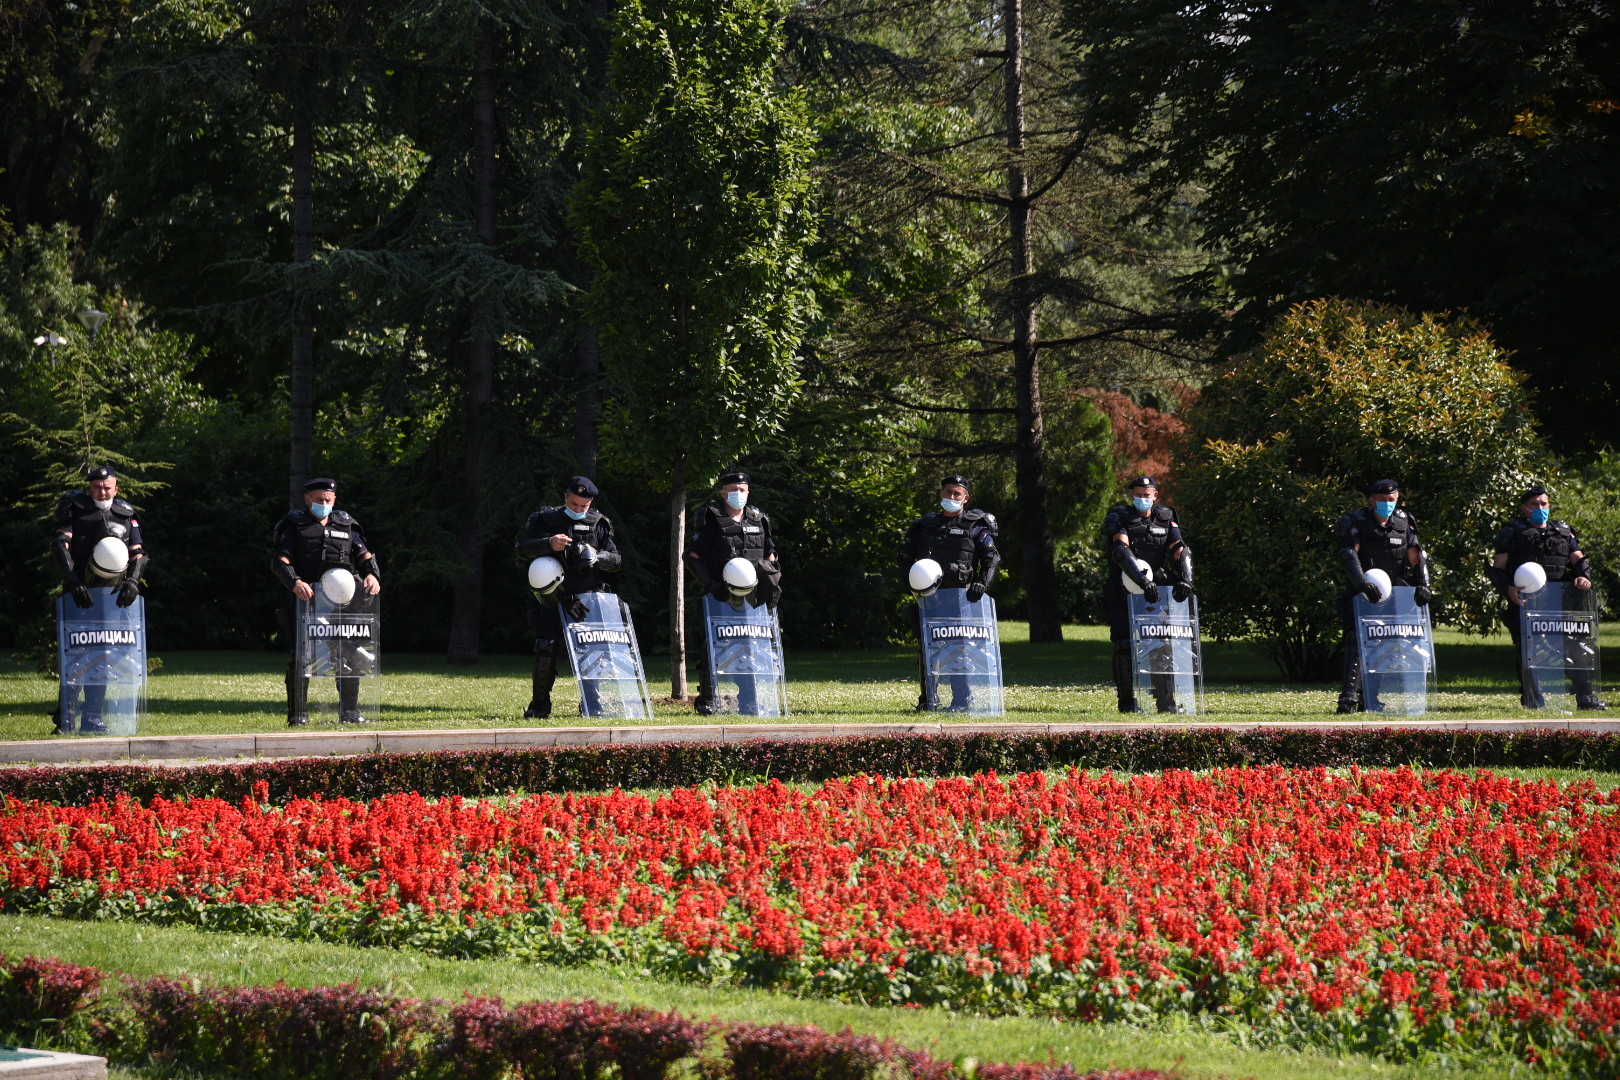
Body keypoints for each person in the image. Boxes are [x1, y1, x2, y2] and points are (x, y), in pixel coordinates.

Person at [270, 478, 381, 726]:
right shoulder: (294, 525)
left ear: (334, 500)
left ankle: (350, 712)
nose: (324, 503)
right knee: (301, 656)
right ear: (308, 499)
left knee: (349, 654)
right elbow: (280, 561)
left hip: (345, 603)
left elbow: (363, 555)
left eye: (328, 499)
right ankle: (298, 714)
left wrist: (371, 574)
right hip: (306, 600)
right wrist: (295, 582)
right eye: (319, 499)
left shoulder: (346, 524)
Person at [514, 476, 623, 719]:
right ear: (565, 497)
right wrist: (548, 543)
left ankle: (592, 704)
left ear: (591, 501)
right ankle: (539, 705)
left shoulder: (599, 523)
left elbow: (616, 560)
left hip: (588, 598)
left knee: (593, 650)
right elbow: (521, 548)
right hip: (553, 596)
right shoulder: (545, 519)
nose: (578, 509)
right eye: (574, 504)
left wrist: (598, 556)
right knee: (546, 647)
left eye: (583, 506)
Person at [1491, 483, 1607, 710]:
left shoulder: (1564, 531)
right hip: (1525, 602)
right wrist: (1508, 589)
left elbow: (1579, 560)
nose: (1540, 508)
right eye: (1534, 504)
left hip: (1560, 601)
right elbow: (1498, 568)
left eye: (1544, 504)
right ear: (1524, 508)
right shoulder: (1512, 532)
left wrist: (1583, 577)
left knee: (1576, 647)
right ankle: (1533, 698)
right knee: (1528, 650)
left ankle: (1586, 697)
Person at [50, 465, 148, 734]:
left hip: (113, 599)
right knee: (76, 656)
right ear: (89, 487)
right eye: (96, 486)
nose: (102, 491)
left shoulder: (126, 514)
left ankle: (93, 717)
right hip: (78, 596)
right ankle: (66, 718)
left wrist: (133, 581)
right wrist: (72, 582)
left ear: (116, 488)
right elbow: (60, 544)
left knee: (102, 657)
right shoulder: (75, 509)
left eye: (107, 487)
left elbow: (139, 553)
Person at [898, 474, 999, 711]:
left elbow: (992, 557)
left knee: (960, 649)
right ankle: (928, 701)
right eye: (947, 492)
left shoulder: (976, 527)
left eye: (956, 493)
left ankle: (962, 702)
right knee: (927, 648)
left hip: (962, 599)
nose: (951, 497)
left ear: (966, 498)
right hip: (929, 597)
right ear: (941, 493)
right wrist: (911, 583)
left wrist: (982, 583)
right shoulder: (924, 527)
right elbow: (904, 557)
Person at [685, 470, 781, 716]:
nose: (738, 494)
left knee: (752, 647)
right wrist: (711, 585)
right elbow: (692, 556)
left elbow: (771, 554)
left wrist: (770, 579)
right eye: (733, 490)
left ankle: (750, 700)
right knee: (714, 647)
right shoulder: (711, 518)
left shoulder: (759, 519)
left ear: (748, 492)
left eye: (742, 490)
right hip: (720, 596)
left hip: (753, 599)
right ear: (723, 492)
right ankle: (708, 698)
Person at [1333, 479, 1431, 714]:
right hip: (1364, 593)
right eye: (1383, 500)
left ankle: (1371, 698)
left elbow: (1417, 555)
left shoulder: (1404, 521)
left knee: (1386, 642)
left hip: (1396, 593)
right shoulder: (1356, 521)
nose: (1388, 503)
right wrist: (1361, 583)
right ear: (1372, 500)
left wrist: (1424, 584)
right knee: (1357, 640)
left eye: (1392, 499)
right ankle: (1348, 699)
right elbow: (1349, 554)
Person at [1101, 475, 1194, 714]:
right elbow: (1120, 550)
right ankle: (1127, 703)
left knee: (1161, 642)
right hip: (1125, 587)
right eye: (1138, 494)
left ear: (1155, 495)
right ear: (1133, 496)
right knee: (1124, 644)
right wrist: (1142, 581)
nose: (1142, 498)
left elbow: (1179, 548)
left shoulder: (1166, 517)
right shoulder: (1120, 516)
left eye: (1147, 494)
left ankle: (1166, 703)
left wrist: (1186, 578)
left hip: (1156, 591)